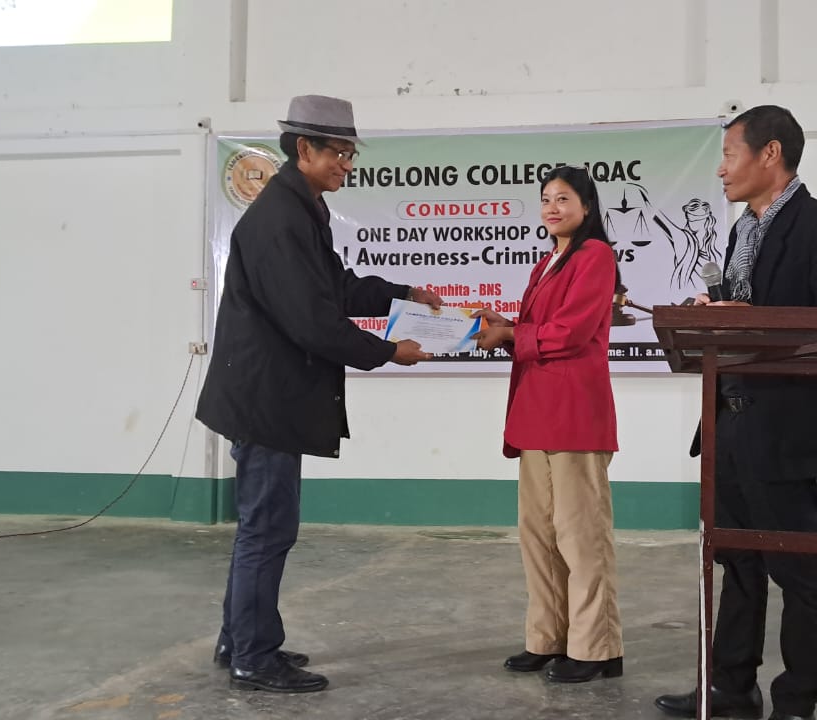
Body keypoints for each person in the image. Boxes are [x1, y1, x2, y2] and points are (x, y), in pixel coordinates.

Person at [196, 95, 441, 693]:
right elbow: (312, 322)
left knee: (262, 527)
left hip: (270, 397)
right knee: (267, 529)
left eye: (352, 154)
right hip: (266, 401)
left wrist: (404, 293)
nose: (346, 165)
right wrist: (389, 351)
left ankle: (241, 639)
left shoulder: (302, 208)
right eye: (339, 153)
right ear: (303, 149)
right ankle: (254, 657)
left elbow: (334, 286)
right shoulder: (281, 219)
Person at [654, 106, 817, 720]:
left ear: (769, 154)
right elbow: (748, 310)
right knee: (737, 562)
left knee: (797, 572)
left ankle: (796, 703)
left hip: (785, 428)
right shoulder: (740, 231)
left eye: (729, 155)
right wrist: (714, 310)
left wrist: (751, 318)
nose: (721, 169)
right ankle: (730, 688)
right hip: (729, 420)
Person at [472, 165, 624, 684]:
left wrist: (512, 335)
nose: (552, 208)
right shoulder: (545, 264)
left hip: (574, 412)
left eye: (563, 198)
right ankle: (548, 638)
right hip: (536, 411)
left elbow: (572, 331)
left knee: (581, 535)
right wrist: (504, 325)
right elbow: (536, 331)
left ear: (587, 206)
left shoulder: (595, 255)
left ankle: (596, 647)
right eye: (545, 200)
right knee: (538, 534)